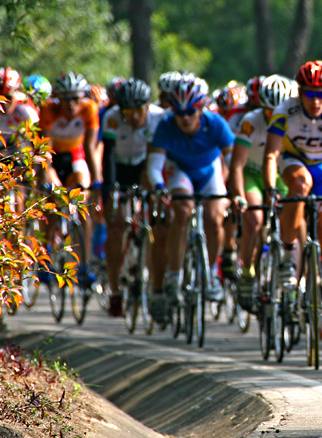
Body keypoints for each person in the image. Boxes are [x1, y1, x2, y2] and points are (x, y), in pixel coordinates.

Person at [262, 59, 322, 351]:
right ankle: (289, 253)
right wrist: (272, 187)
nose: (315, 100)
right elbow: (272, 155)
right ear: (299, 92)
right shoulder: (285, 110)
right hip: (294, 161)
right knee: (299, 185)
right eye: (309, 94)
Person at [146, 75, 235, 324]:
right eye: (180, 112)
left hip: (209, 170)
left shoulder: (216, 123)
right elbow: (154, 165)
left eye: (191, 111)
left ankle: (212, 274)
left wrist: (233, 191)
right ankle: (174, 278)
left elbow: (231, 162)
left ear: (201, 109)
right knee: (182, 211)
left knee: (215, 216)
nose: (185, 118)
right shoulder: (165, 125)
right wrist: (160, 187)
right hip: (180, 171)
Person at [228, 74, 295, 311]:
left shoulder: (295, 117)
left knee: (295, 215)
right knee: (254, 219)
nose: (273, 117)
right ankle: (247, 272)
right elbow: (236, 165)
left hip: (280, 173)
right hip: (253, 174)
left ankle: (297, 274)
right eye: (268, 112)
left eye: (278, 111)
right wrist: (237, 195)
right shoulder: (250, 121)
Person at [100, 78, 166, 317]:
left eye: (140, 110)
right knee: (116, 225)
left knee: (151, 213)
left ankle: (144, 237)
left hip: (143, 165)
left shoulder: (158, 117)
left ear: (148, 107)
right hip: (119, 166)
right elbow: (107, 156)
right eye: (129, 111)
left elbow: (154, 158)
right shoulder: (112, 117)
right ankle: (115, 290)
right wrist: (110, 190)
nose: (135, 116)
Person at [39, 72, 101, 281]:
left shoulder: (90, 109)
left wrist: (97, 180)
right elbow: (44, 151)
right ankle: (44, 254)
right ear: (58, 98)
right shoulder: (49, 110)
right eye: (66, 99)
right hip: (53, 158)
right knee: (51, 204)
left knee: (82, 203)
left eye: (76, 98)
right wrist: (48, 176)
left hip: (76, 156)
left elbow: (91, 149)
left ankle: (85, 263)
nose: (71, 104)